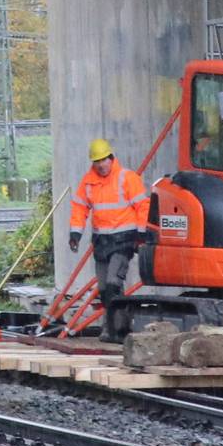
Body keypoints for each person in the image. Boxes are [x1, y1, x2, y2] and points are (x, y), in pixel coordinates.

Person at [65, 137, 151, 340]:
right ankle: (114, 328)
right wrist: (75, 233)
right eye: (97, 161)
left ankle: (117, 329)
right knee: (104, 289)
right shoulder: (88, 183)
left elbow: (142, 206)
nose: (102, 165)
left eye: (104, 160)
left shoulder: (127, 178)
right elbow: (79, 208)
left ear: (111, 158)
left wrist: (141, 232)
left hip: (123, 241)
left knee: (113, 283)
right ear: (92, 163)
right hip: (102, 242)